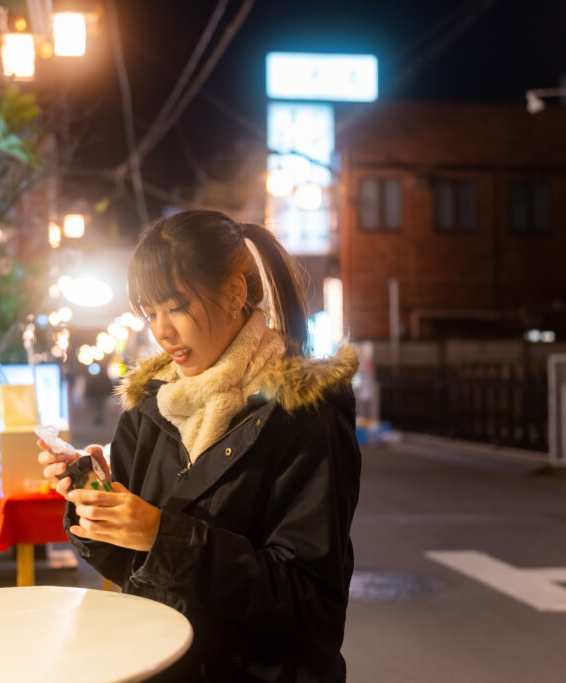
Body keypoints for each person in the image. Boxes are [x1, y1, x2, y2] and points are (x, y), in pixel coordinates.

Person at [37, 210, 361, 682]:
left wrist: (161, 535)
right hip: (158, 664)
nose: (162, 332)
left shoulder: (306, 413)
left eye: (177, 306)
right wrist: (93, 506)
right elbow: (127, 565)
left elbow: (309, 601)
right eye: (150, 313)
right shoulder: (149, 406)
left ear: (234, 293)